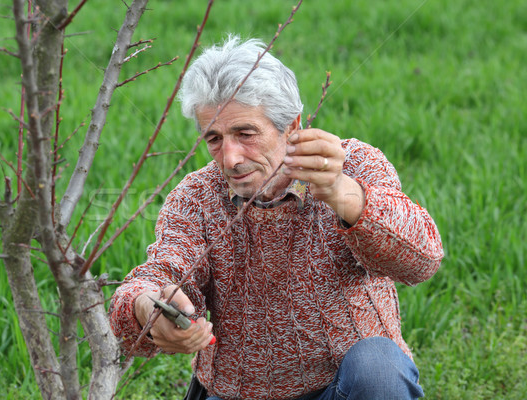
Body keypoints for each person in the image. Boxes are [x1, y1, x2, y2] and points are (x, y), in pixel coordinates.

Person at [109, 35, 444, 400]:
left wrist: (340, 193)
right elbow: (158, 274)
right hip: (239, 393)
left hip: (342, 387)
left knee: (378, 367)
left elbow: (422, 262)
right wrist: (147, 307)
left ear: (291, 126)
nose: (231, 158)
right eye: (215, 138)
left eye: (245, 133)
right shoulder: (197, 196)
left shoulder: (354, 165)